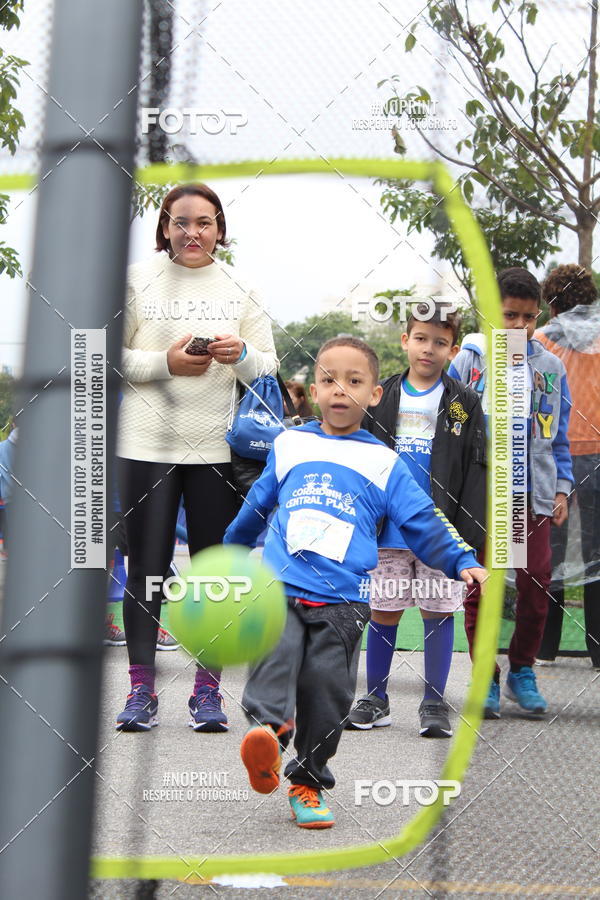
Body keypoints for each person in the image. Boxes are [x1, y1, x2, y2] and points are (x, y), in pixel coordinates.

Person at [224, 337, 486, 829]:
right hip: (280, 587)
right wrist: (229, 551)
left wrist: (460, 557)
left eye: (354, 381)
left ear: (374, 395)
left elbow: (422, 520)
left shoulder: (386, 463)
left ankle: (308, 781)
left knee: (329, 694)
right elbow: (256, 507)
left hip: (343, 602)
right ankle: (270, 734)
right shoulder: (290, 443)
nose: (339, 390)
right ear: (316, 389)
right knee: (273, 661)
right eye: (328, 380)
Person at [115, 182, 278, 732]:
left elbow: (269, 367)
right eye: (180, 222)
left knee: (214, 573)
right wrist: (165, 361)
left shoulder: (242, 286)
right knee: (147, 570)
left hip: (216, 451)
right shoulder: (137, 280)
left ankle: (207, 694)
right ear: (164, 228)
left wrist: (243, 354)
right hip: (145, 447)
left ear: (220, 229)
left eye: (204, 222)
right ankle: (141, 691)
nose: (192, 232)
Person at [347, 304, 486, 738]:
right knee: (383, 611)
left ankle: (433, 702)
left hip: (440, 533)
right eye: (421, 338)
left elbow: (475, 468)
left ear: (453, 349)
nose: (429, 349)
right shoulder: (380, 394)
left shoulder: (464, 401)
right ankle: (376, 697)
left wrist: (466, 535)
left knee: (438, 613)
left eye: (440, 342)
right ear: (405, 340)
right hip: (386, 530)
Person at [450, 267, 573, 717]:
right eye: (508, 315)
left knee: (536, 582)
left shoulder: (552, 367)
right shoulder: (469, 362)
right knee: (480, 588)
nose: (519, 326)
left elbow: (558, 437)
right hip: (482, 497)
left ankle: (522, 668)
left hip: (533, 497)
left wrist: (561, 489)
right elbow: (452, 430)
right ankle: (486, 676)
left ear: (538, 315)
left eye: (527, 317)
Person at [535, 265, 600, 667]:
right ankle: (597, 650)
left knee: (550, 552)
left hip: (553, 455)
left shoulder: (542, 341)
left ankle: (544, 648)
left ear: (551, 303)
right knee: (598, 553)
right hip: (597, 453)